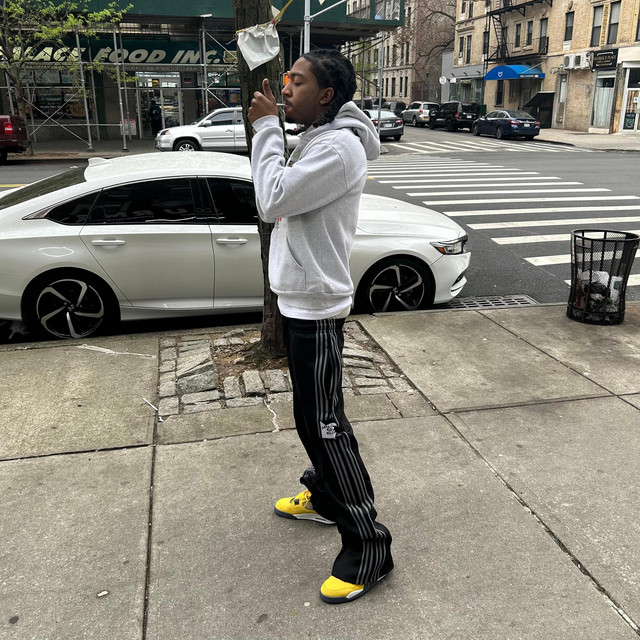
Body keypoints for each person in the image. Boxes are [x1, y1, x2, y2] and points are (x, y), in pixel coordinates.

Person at [248, 49, 393, 605]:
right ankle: (327, 498)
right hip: (299, 300)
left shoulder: (338, 148)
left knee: (327, 426)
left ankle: (369, 546)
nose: (285, 88)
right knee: (311, 421)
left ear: (327, 95)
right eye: (286, 78)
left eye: (298, 81)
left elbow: (272, 200)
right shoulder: (318, 136)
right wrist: (276, 130)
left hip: (318, 308)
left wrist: (265, 129)